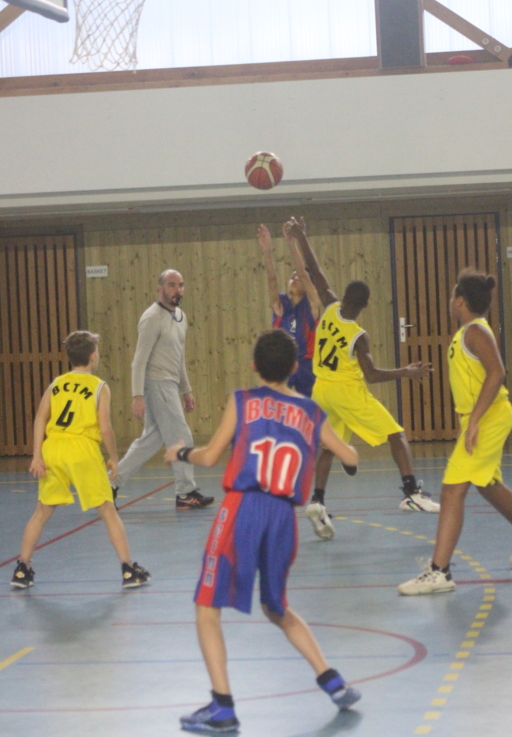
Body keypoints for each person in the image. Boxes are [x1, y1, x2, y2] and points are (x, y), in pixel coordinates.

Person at [164, 329, 362, 734]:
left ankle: (222, 707)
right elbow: (351, 456)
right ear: (294, 368)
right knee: (277, 608)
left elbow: (210, 457)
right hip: (284, 518)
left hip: (243, 509)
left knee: (207, 606)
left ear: (254, 365)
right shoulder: (310, 412)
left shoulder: (243, 401)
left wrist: (180, 451)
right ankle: (333, 682)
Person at [286, 218, 439, 541]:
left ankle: (317, 500)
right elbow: (370, 375)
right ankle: (411, 492)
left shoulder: (330, 307)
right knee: (396, 434)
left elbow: (315, 271)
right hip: (347, 391)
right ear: (366, 305)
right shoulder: (359, 335)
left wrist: (301, 236)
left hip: (321, 390)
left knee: (329, 446)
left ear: (343, 296)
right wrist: (406, 372)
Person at [398, 270, 512, 595]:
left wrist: (474, 420)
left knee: (451, 489)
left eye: (452, 296)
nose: (450, 302)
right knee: (488, 486)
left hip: (488, 417)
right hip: (483, 418)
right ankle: (440, 571)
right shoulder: (467, 332)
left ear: (460, 301)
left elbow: (497, 373)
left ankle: (440, 572)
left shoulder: (475, 331)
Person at [11, 331, 150, 591]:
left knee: (42, 511)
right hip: (82, 449)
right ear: (93, 356)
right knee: (107, 510)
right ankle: (128, 569)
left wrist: (37, 455)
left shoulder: (56, 384)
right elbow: (105, 427)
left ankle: (22, 568)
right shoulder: (99, 387)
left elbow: (40, 418)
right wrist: (114, 456)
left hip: (53, 449)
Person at [113, 269, 214, 510]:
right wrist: (137, 396)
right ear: (160, 288)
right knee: (181, 437)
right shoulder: (152, 318)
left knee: (150, 440)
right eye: (171, 285)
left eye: (180, 285)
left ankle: (111, 484)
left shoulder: (181, 316)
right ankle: (185, 493)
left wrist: (186, 389)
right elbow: (139, 360)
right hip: (156, 384)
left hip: (170, 384)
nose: (177, 290)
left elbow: (178, 357)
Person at [258, 221, 321, 397]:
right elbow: (272, 279)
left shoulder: (312, 304)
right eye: (292, 276)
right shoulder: (281, 305)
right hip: (283, 362)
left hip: (307, 365)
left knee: (310, 407)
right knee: (275, 402)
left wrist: (292, 244)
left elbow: (303, 274)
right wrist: (267, 251)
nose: (295, 278)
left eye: (298, 277)